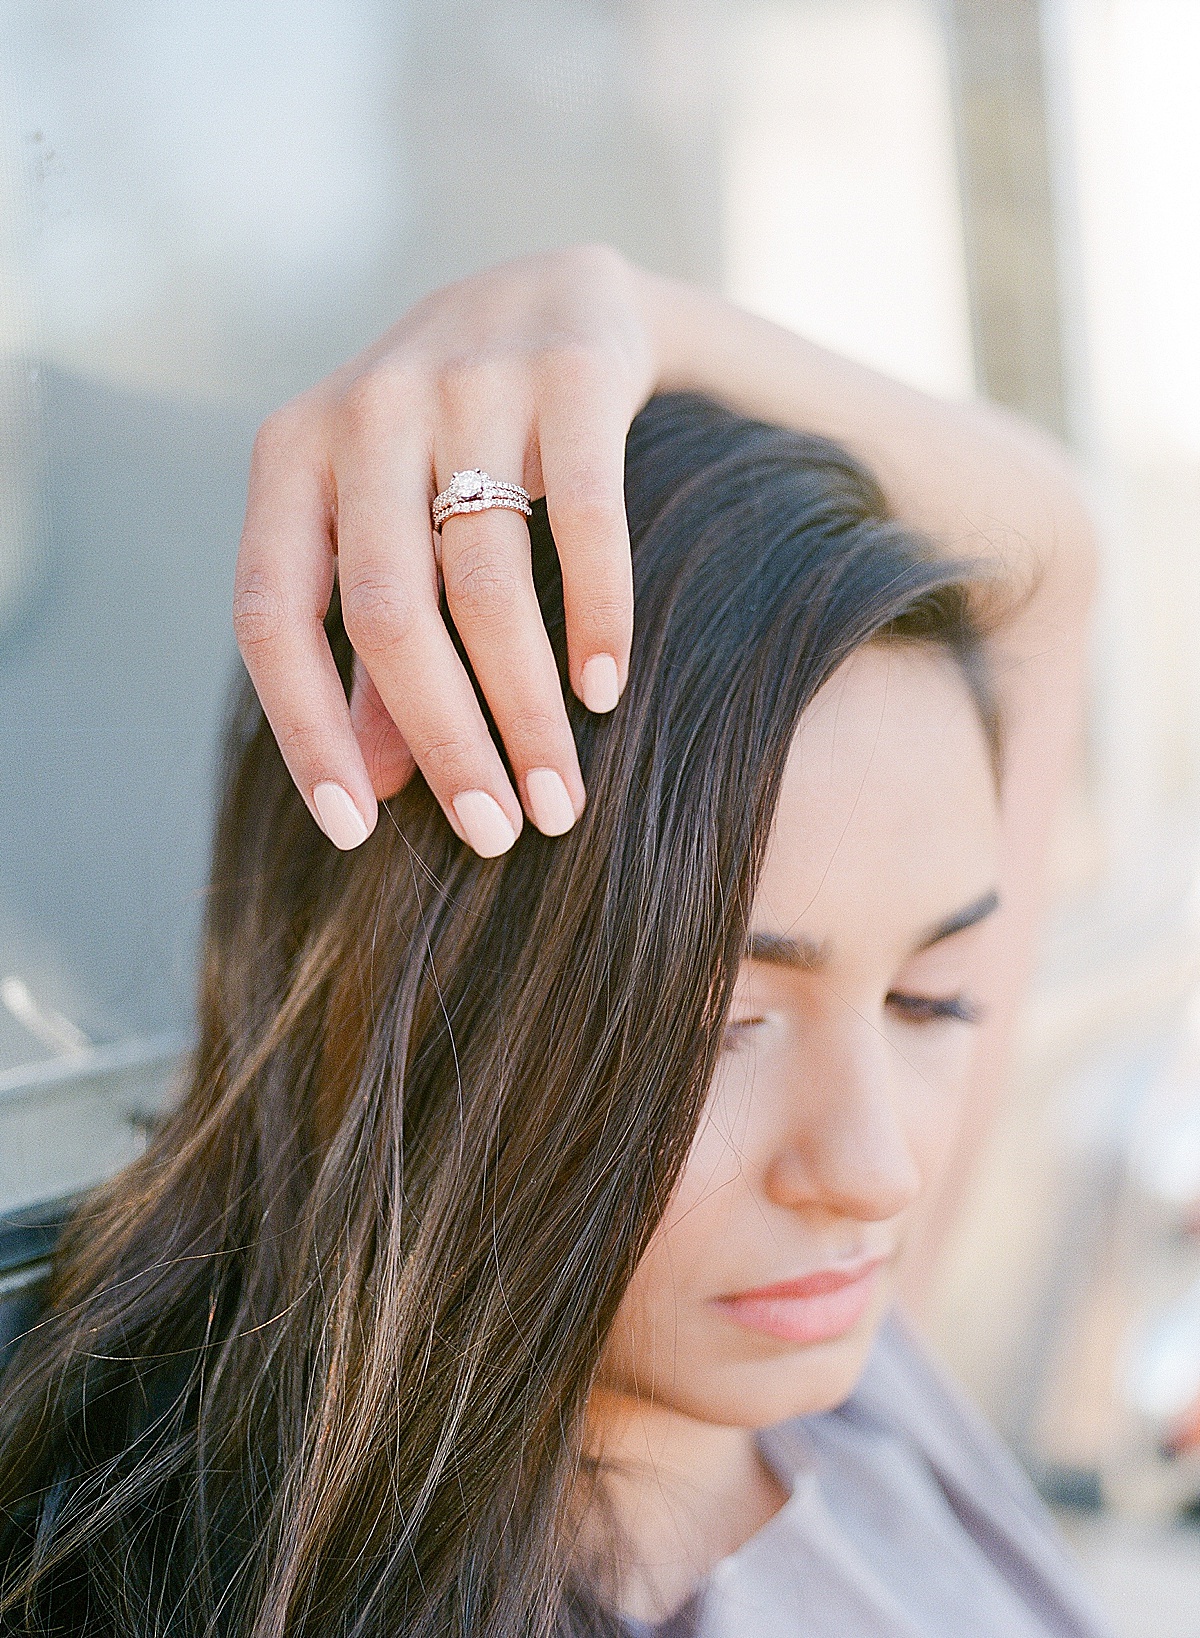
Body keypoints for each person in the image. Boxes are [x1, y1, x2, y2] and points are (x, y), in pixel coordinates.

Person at [0, 253, 1107, 1637]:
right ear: (423, 1003)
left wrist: (610, 305)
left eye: (933, 1001)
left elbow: (1052, 562)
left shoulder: (837, 1379)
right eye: (716, 1028)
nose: (875, 1167)